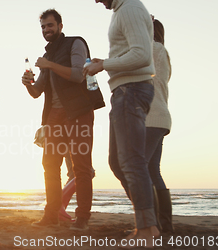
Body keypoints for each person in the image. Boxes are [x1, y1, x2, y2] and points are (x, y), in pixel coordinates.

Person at [22, 9, 104, 230]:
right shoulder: (47, 56)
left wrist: (49, 66)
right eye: (43, 27)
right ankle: (51, 216)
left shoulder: (76, 44)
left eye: (50, 25)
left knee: (81, 167)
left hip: (79, 112)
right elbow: (38, 91)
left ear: (60, 25)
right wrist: (27, 83)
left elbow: (79, 74)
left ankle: (83, 218)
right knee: (49, 165)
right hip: (54, 117)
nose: (46, 30)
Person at [85, 0, 159, 243]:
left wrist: (104, 65)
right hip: (124, 90)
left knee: (131, 160)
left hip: (132, 90)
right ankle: (147, 224)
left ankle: (147, 230)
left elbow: (141, 55)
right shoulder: (121, 10)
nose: (96, 1)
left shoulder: (129, 8)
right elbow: (130, 53)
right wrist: (104, 63)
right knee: (117, 161)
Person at [146, 18, 173, 233]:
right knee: (153, 170)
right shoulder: (163, 53)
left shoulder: (153, 49)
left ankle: (153, 223)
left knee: (141, 168)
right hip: (160, 118)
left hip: (151, 117)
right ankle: (164, 225)